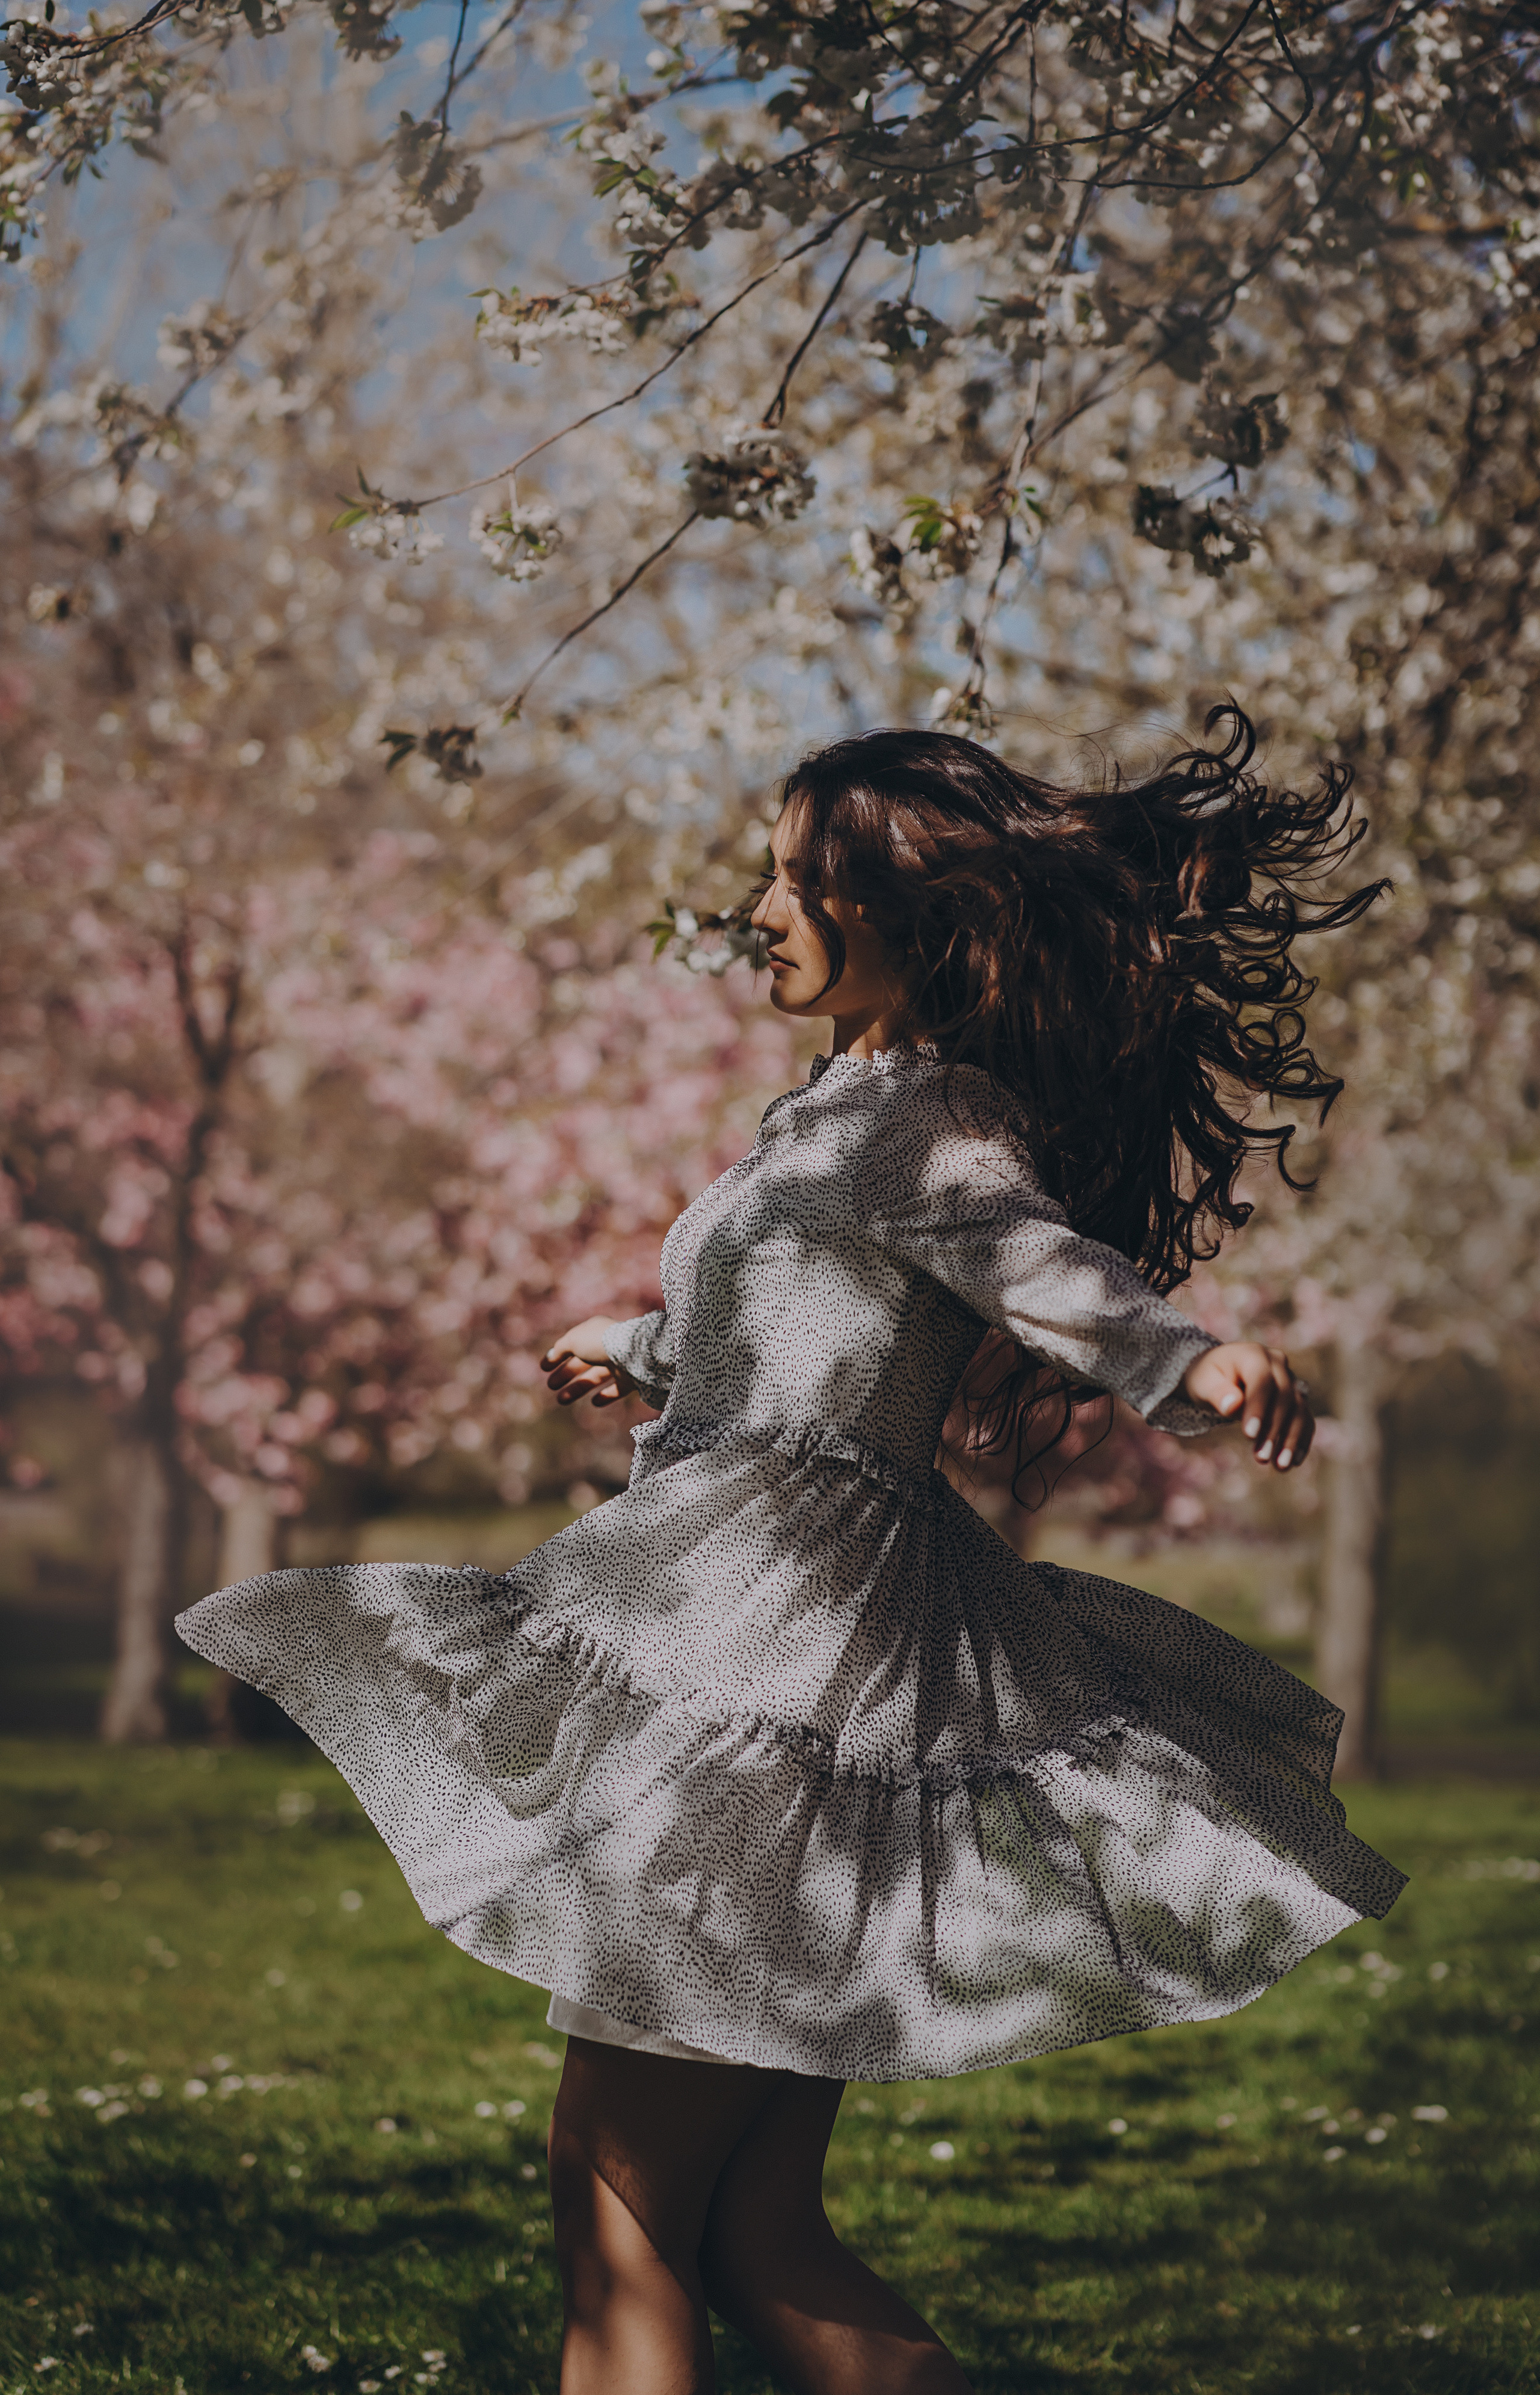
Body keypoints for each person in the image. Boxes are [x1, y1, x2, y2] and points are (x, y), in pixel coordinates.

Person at [177, 715, 1406, 2395]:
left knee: (617, 2201)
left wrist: (1185, 1362)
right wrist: (644, 1346)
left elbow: (1031, 1267)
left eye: (799, 881)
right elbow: (792, 1323)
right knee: (757, 2231)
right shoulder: (839, 1111)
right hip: (758, 1621)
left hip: (778, 1662)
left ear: (915, 919)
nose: (759, 909)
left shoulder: (933, 1120)